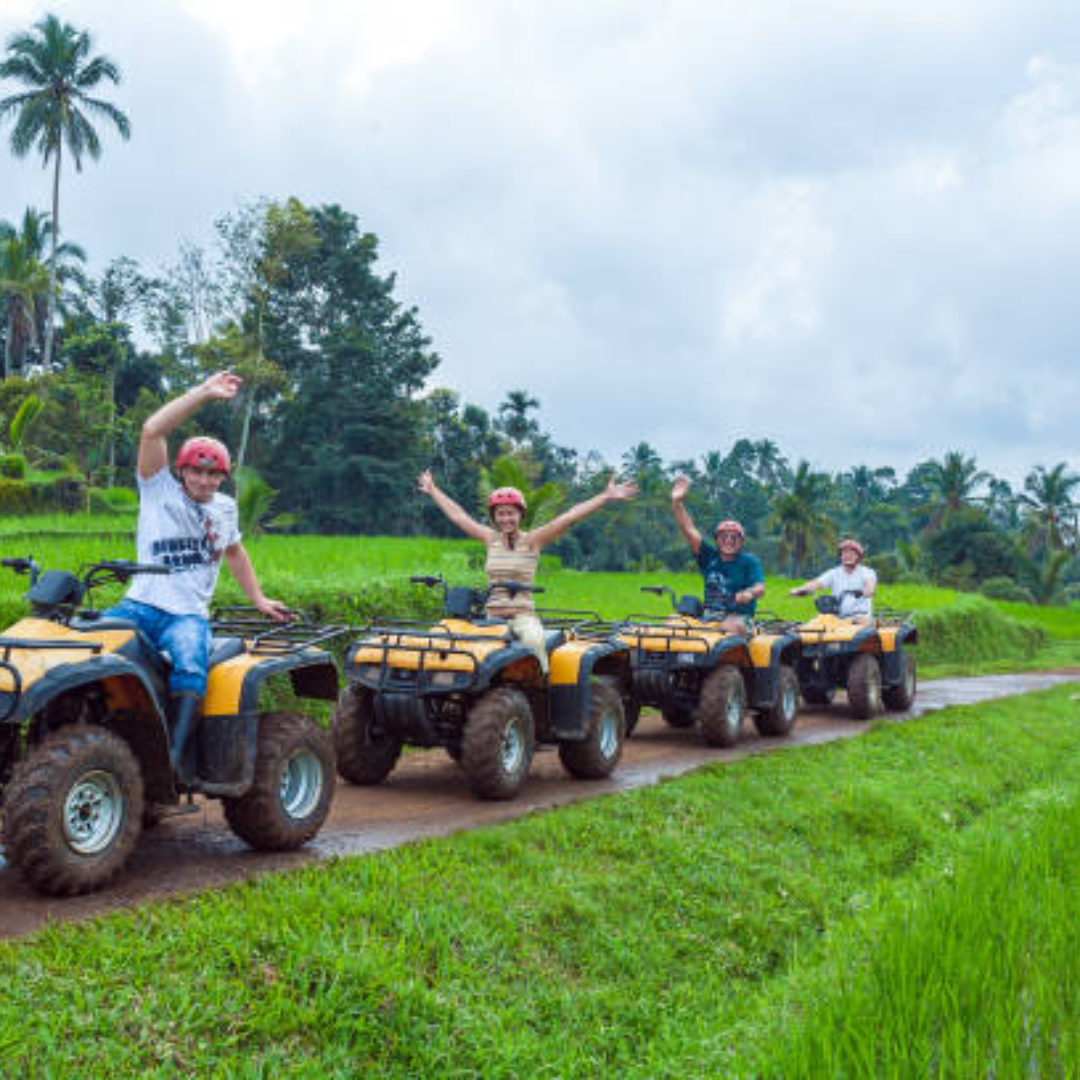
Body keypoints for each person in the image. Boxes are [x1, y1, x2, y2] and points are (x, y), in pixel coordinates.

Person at [105, 371, 291, 782]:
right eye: (196, 472)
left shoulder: (224, 508)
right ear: (181, 470)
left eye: (213, 475)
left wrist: (259, 599)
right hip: (139, 605)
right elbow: (152, 430)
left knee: (191, 663)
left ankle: (171, 760)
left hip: (186, 615)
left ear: (223, 477)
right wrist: (203, 394)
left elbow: (234, 551)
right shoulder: (158, 490)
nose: (204, 481)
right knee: (90, 649)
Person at [417, 470, 639, 671]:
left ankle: (542, 684)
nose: (506, 518)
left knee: (533, 642)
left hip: (522, 616)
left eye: (510, 513)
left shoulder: (533, 540)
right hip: (491, 617)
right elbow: (458, 516)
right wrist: (433, 490)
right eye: (500, 513)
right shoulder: (490, 539)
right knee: (467, 652)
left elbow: (569, 517)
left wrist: (605, 497)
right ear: (494, 516)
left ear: (520, 515)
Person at [670, 475, 765, 634]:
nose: (728, 540)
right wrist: (677, 502)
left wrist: (749, 593)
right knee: (673, 621)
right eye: (724, 536)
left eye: (734, 537)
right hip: (708, 616)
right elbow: (689, 530)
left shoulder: (749, 562)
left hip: (739, 617)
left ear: (741, 541)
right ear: (716, 540)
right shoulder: (709, 556)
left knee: (730, 626)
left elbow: (760, 587)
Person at [789, 538, 877, 623]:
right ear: (841, 556)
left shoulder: (867, 572)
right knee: (816, 622)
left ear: (858, 556)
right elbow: (817, 583)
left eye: (851, 553)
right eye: (844, 553)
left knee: (859, 621)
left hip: (859, 616)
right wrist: (800, 589)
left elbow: (870, 586)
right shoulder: (834, 573)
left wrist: (866, 591)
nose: (848, 556)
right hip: (838, 617)